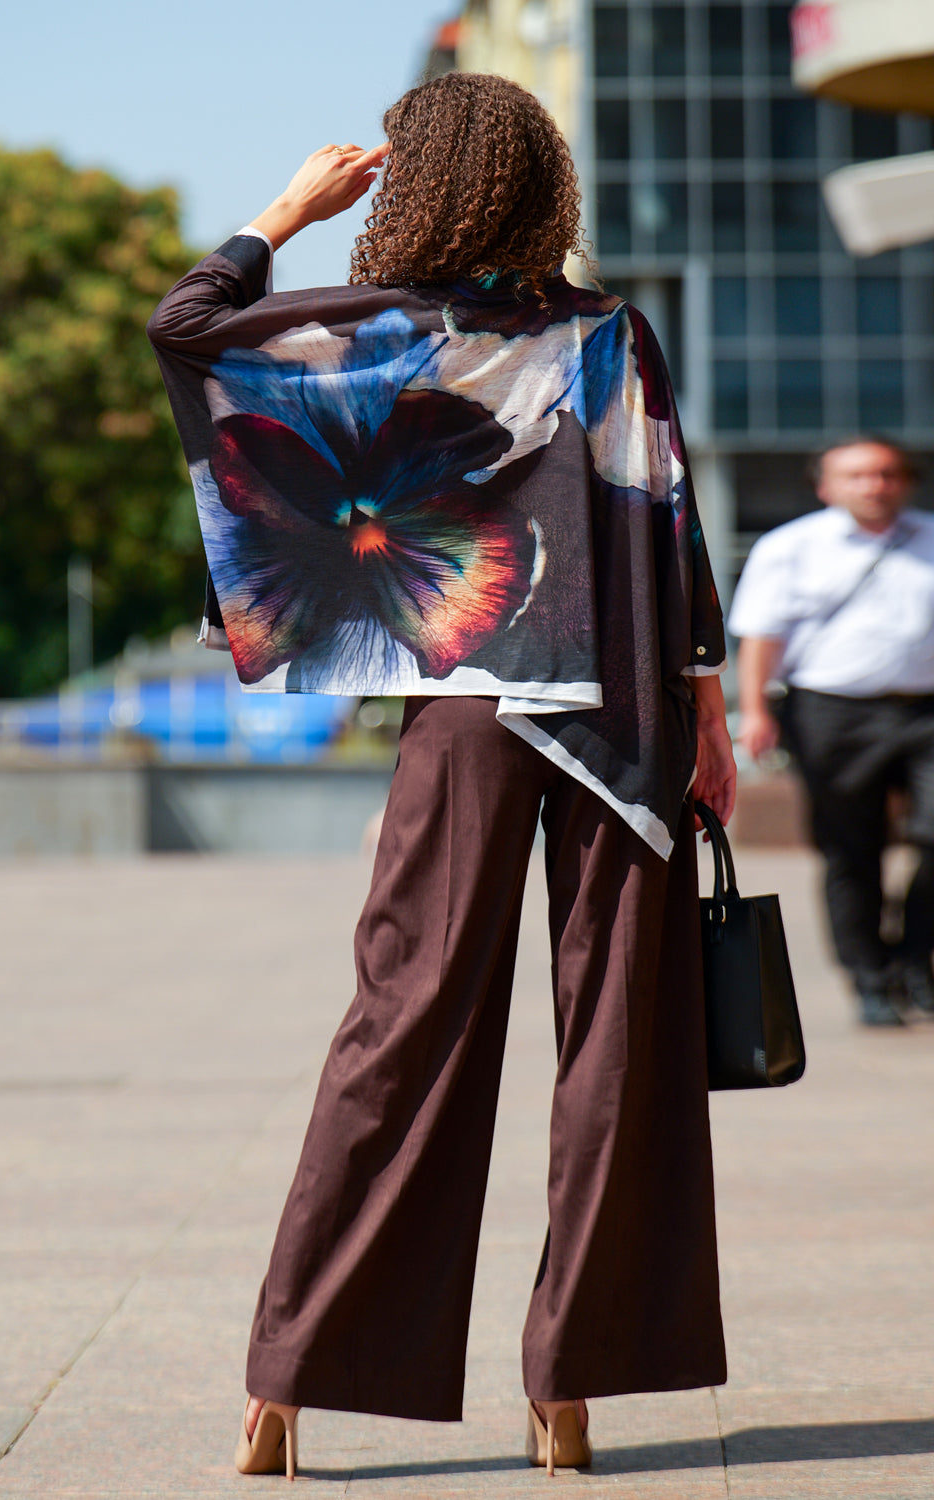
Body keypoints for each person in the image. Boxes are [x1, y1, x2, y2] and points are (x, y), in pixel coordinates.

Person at [149, 72, 735, 1480]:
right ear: (545, 185)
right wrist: (706, 714)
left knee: (399, 1031)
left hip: (470, 718)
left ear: (415, 187)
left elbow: (186, 331)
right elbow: (667, 512)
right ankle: (571, 1390)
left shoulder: (374, 333)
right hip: (628, 710)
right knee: (619, 1056)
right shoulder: (608, 331)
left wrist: (291, 208)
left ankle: (288, 1383)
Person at [731, 437, 934, 1027]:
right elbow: (761, 638)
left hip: (926, 712)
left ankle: (916, 957)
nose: (876, 485)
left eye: (888, 473)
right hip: (832, 712)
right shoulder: (790, 547)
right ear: (826, 486)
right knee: (851, 849)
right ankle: (871, 980)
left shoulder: (928, 537)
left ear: (906, 480)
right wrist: (758, 712)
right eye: (859, 475)